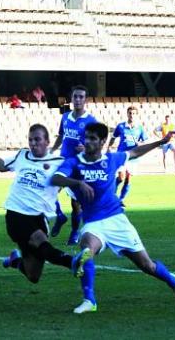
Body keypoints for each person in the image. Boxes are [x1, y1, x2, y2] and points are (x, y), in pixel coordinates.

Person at [51, 122, 175, 314]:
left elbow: (135, 152)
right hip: (93, 223)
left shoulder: (112, 159)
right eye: (86, 137)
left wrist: (161, 142)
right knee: (87, 248)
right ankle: (89, 300)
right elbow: (55, 179)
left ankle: (173, 281)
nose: (87, 141)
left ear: (102, 142)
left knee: (146, 265)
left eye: (92, 138)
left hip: (117, 220)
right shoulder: (74, 162)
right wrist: (77, 183)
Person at [0, 125, 73, 283]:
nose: (33, 143)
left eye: (37, 139)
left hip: (40, 217)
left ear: (47, 142)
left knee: (33, 275)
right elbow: (1, 165)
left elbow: (71, 179)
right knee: (41, 242)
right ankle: (73, 262)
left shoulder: (59, 163)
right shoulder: (22, 155)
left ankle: (15, 261)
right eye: (30, 140)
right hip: (16, 214)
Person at [49, 85, 97, 245]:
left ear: (86, 100)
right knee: (49, 186)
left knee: (76, 204)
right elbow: (61, 136)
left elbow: (98, 144)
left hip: (78, 164)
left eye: (81, 97)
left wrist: (86, 148)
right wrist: (51, 150)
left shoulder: (91, 121)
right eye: (75, 96)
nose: (77, 100)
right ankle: (60, 216)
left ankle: (75, 231)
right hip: (63, 161)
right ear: (71, 98)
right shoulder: (65, 117)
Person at [106, 106, 148, 203]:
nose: (131, 115)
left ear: (136, 115)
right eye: (130, 113)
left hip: (133, 157)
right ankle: (112, 197)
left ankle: (121, 200)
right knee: (121, 177)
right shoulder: (121, 126)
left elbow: (145, 141)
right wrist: (108, 147)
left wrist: (140, 144)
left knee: (128, 180)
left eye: (133, 113)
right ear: (127, 114)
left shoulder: (139, 128)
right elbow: (113, 137)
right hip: (121, 155)